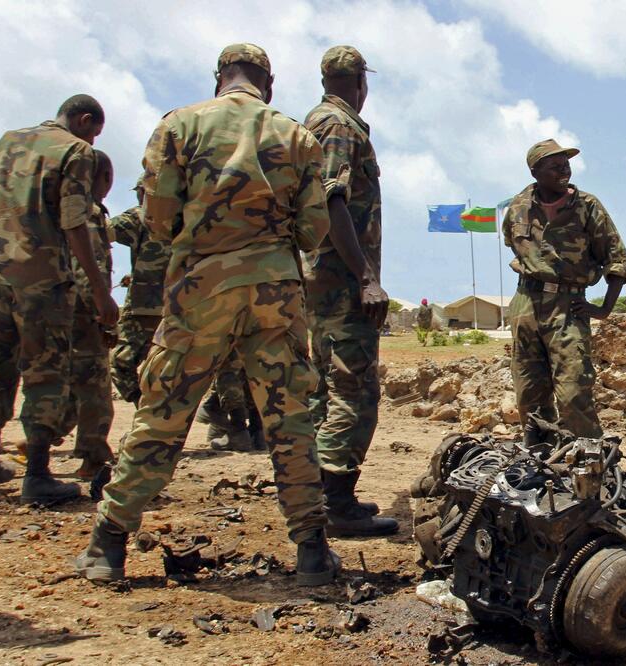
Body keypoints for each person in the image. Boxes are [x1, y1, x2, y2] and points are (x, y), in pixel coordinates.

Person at [74, 44, 338, 585]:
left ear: (221, 77)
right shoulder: (296, 137)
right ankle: (312, 551)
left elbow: (158, 219)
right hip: (276, 293)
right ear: (269, 81)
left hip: (201, 290)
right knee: (290, 421)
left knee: (165, 413)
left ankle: (109, 544)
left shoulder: (179, 126)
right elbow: (314, 231)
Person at [0, 95, 118, 502]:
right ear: (84, 121)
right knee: (46, 373)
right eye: (93, 133)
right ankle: (37, 474)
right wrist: (98, 288)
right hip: (43, 282)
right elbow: (74, 221)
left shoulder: (8, 141)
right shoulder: (75, 151)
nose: (92, 142)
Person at [302, 45, 396, 536]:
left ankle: (321, 496)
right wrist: (366, 277)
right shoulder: (339, 126)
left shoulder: (316, 121)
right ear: (361, 81)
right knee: (354, 389)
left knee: (325, 387)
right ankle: (335, 502)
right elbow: (332, 198)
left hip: (322, 280)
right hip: (341, 282)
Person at [503, 138, 626, 438]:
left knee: (574, 392)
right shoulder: (518, 207)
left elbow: (616, 259)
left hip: (568, 306)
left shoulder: (587, 206)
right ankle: (539, 462)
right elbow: (514, 245)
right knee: (529, 393)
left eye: (567, 164)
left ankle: (590, 464)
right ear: (535, 172)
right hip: (525, 304)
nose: (565, 171)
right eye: (555, 166)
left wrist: (605, 308)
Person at [59, 149, 116, 480]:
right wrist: (99, 308)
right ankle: (94, 455)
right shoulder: (90, 214)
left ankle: (50, 434)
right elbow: (87, 266)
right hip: (84, 310)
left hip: (65, 308)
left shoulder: (72, 212)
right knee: (95, 382)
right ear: (105, 179)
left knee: (72, 378)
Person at [108, 176, 170, 406]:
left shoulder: (140, 216)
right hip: (183, 304)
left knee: (122, 363)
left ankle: (144, 410)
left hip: (144, 307)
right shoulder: (187, 216)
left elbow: (99, 231)